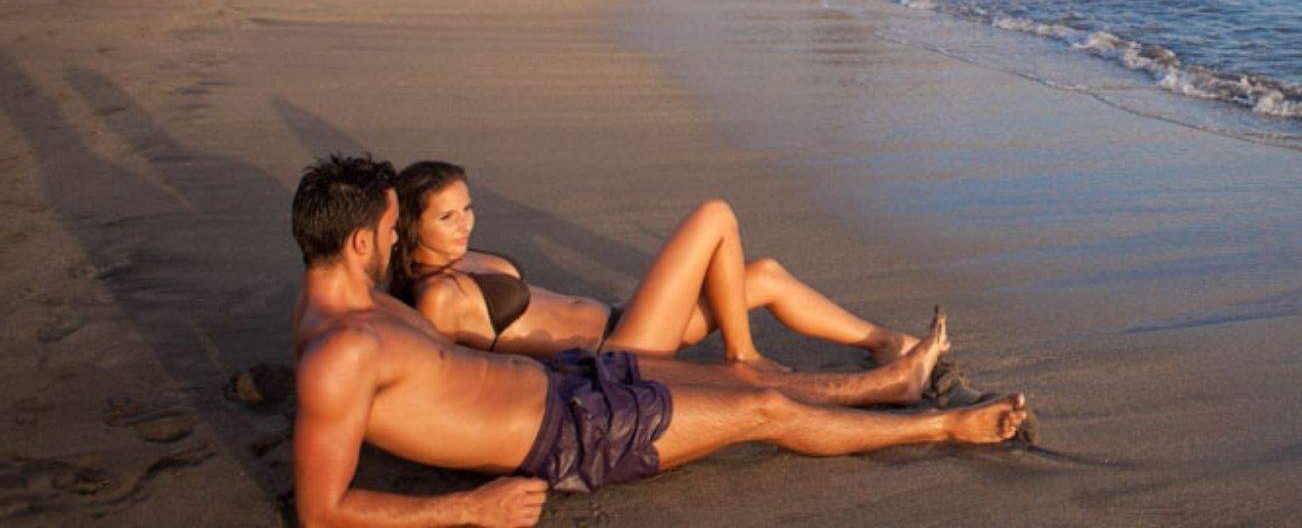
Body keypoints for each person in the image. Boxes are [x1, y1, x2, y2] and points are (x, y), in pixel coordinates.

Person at [291, 155, 1028, 525]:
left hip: (574, 380)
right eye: (391, 230)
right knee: (762, 409)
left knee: (747, 384)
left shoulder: (351, 306)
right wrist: (470, 510)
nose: (397, 242)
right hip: (569, 436)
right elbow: (321, 512)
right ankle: (946, 425)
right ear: (360, 241)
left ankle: (885, 385)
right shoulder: (338, 351)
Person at [392, 161, 920, 368]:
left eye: (467, 208)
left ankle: (884, 342)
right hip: (613, 355)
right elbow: (441, 373)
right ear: (413, 228)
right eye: (447, 217)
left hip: (624, 321)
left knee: (766, 275)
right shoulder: (438, 297)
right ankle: (744, 355)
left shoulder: (463, 257)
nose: (465, 224)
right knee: (715, 216)